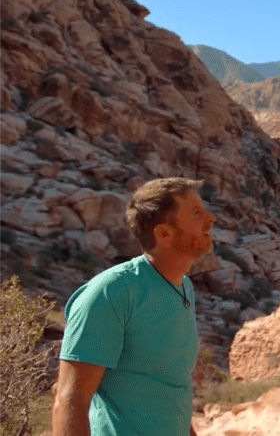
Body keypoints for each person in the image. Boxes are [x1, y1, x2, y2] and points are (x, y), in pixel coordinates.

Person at [52, 177, 216, 436]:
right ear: (164, 233)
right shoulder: (112, 292)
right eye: (197, 213)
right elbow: (70, 399)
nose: (211, 219)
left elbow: (170, 388)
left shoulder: (184, 288)